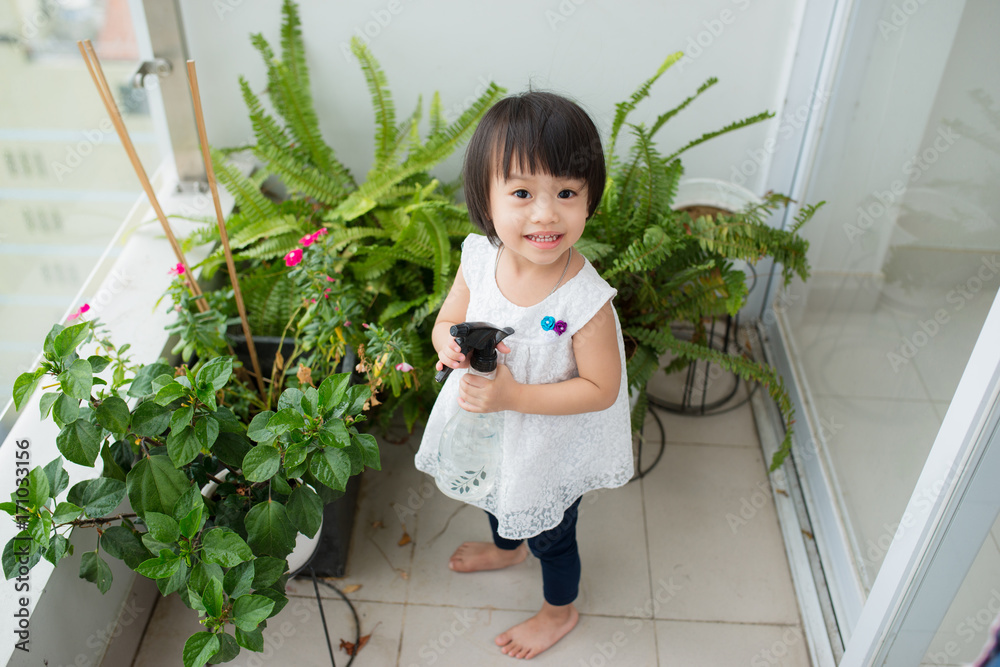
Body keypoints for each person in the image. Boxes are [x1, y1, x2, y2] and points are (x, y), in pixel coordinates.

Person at [414, 90, 634, 659]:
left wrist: (513, 395)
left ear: (590, 200)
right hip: (488, 425)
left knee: (553, 534)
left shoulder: (586, 302)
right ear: (486, 201)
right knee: (494, 492)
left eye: (566, 193)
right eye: (521, 193)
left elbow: (601, 389)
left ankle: (559, 610)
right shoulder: (478, 259)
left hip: (547, 443)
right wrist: (449, 347)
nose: (545, 213)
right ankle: (508, 549)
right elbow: (447, 320)